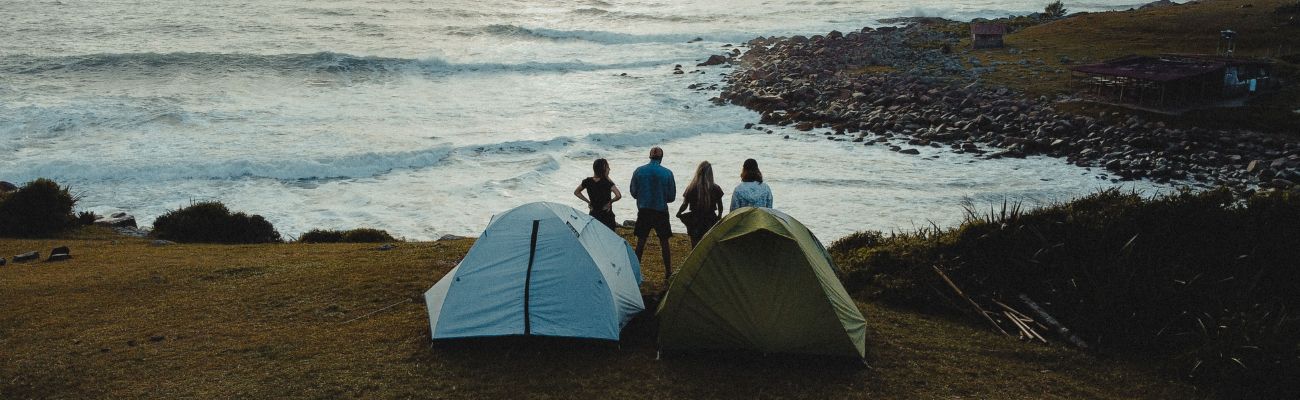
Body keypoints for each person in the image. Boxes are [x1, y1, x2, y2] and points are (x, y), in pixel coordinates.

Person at [629, 147, 676, 287]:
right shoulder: (667, 173)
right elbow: (671, 197)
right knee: (664, 242)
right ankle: (668, 272)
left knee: (641, 242)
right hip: (660, 210)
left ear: (649, 157)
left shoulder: (639, 171)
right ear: (661, 158)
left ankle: (635, 272)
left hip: (644, 210)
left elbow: (633, 192)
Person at [676, 161, 724, 247]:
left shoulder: (691, 188)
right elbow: (720, 206)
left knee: (695, 246)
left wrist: (679, 213)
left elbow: (684, 204)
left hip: (695, 219)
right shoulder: (716, 188)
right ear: (711, 173)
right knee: (709, 245)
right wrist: (719, 216)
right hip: (710, 219)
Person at [574, 158, 622, 230]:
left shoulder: (587, 181)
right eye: (607, 167)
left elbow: (576, 192)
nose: (609, 169)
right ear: (603, 169)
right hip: (606, 215)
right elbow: (618, 195)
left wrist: (588, 202)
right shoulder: (607, 183)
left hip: (594, 214)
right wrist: (610, 202)